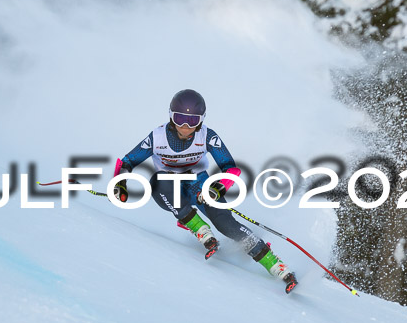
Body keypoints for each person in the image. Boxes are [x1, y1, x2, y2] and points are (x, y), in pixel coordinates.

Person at [114, 89, 297, 289]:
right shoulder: (157, 137)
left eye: (191, 121)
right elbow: (128, 162)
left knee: (227, 226)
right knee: (157, 181)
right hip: (170, 187)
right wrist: (120, 183)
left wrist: (217, 189)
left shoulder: (207, 135)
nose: (185, 127)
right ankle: (200, 229)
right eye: (179, 118)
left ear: (201, 120)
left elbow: (231, 168)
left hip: (200, 186)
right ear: (170, 116)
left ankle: (277, 266)